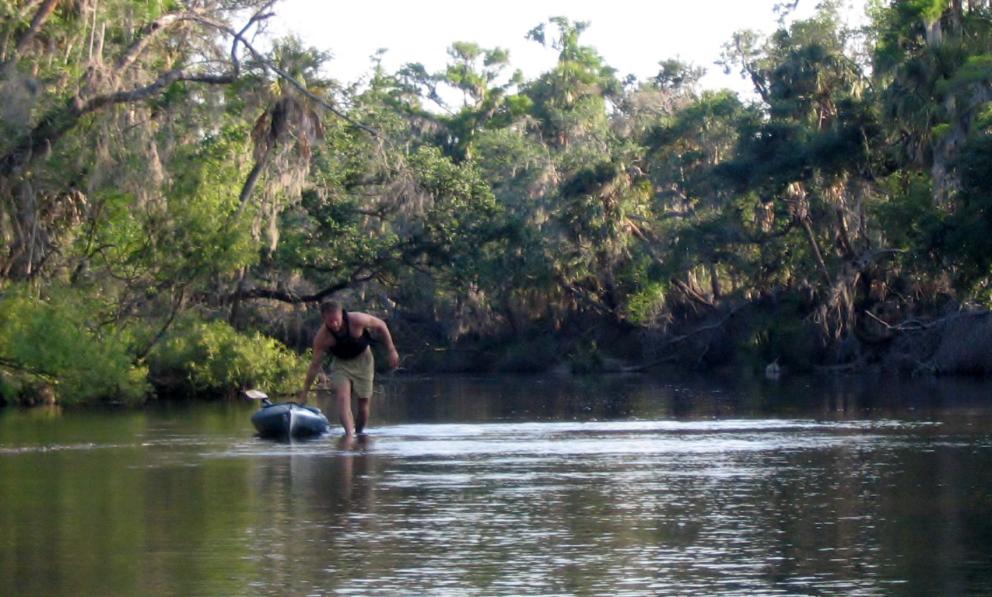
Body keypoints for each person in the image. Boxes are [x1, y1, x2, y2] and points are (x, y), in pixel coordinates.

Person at [300, 301, 399, 435]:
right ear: (323, 319)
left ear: (342, 314)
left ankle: (359, 433)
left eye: (337, 320)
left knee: (363, 405)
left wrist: (391, 350)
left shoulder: (357, 319)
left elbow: (381, 325)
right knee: (342, 398)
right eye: (330, 322)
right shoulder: (322, 338)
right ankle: (349, 435)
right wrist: (305, 393)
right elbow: (314, 366)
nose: (334, 325)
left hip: (364, 361)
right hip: (341, 364)